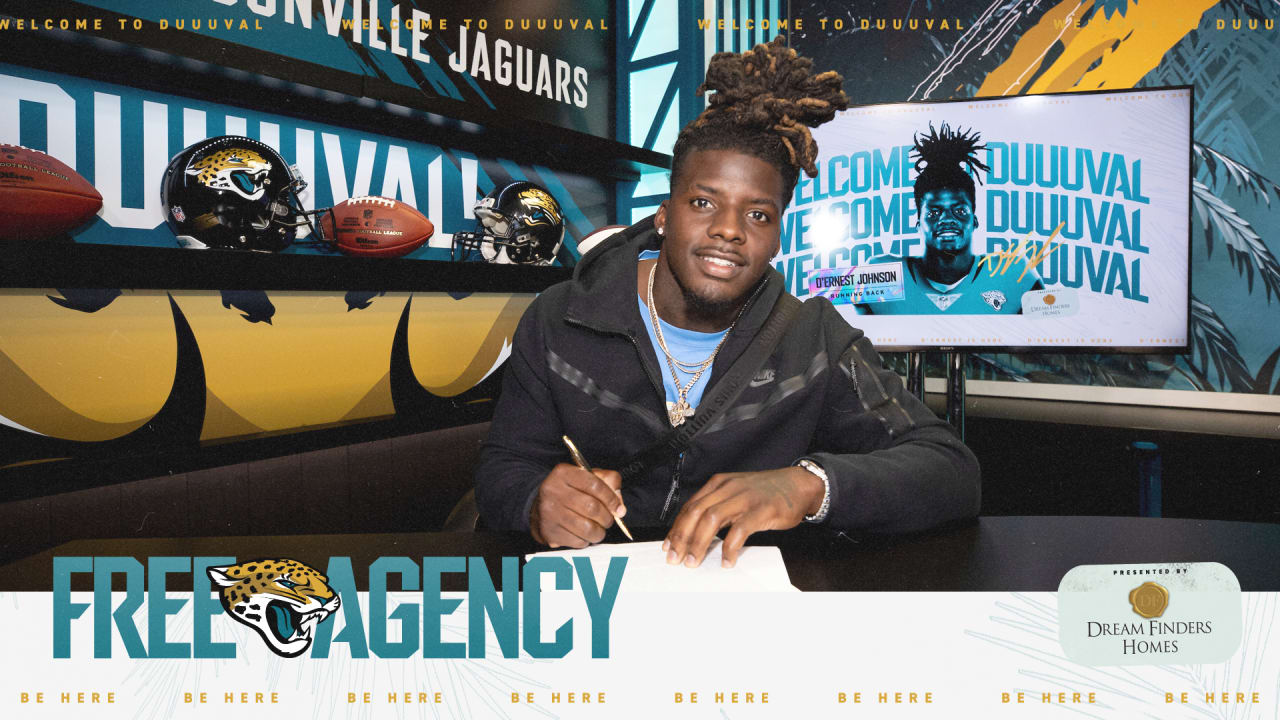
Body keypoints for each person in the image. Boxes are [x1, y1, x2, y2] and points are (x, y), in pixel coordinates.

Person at [474, 38, 980, 568]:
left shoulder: (814, 340)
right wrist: (535, 502)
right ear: (665, 215)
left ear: (779, 237)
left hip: (741, 610)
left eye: (758, 214)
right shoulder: (562, 318)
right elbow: (503, 467)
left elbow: (951, 470)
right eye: (703, 202)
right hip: (593, 605)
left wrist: (807, 487)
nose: (728, 231)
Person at [856, 123, 1043, 315]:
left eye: (959, 211)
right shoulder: (881, 272)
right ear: (918, 223)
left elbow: (1055, 326)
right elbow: (827, 299)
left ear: (975, 220)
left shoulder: (1015, 273)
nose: (947, 219)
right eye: (934, 212)